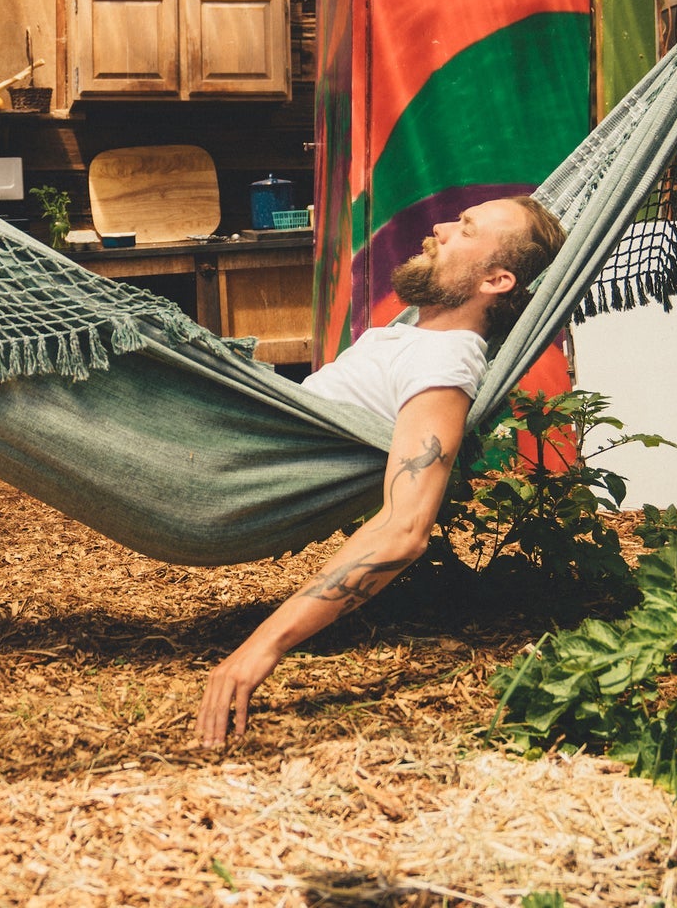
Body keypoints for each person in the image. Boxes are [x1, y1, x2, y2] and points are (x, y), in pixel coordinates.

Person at [195, 194, 567, 748]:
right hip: (215, 448)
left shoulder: (444, 361)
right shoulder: (416, 336)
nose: (440, 228)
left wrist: (262, 645)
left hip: (210, 471)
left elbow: (405, 528)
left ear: (496, 281)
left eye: (466, 229)